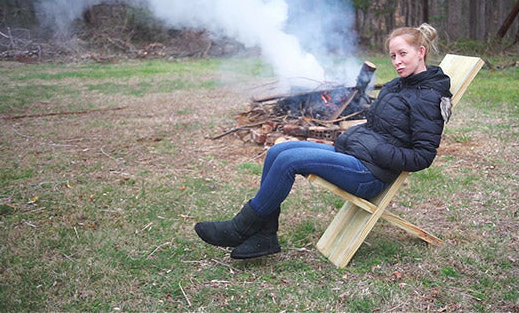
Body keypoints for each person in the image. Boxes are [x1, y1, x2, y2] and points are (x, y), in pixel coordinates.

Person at [194, 23, 453, 259]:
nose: (397, 61)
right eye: (393, 56)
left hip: (370, 174)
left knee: (288, 161)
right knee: (278, 151)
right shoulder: (396, 86)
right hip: (356, 157)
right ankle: (264, 236)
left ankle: (241, 228)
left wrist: (377, 150)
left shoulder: (428, 97)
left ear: (421, 52)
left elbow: (423, 157)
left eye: (402, 54)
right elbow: (378, 127)